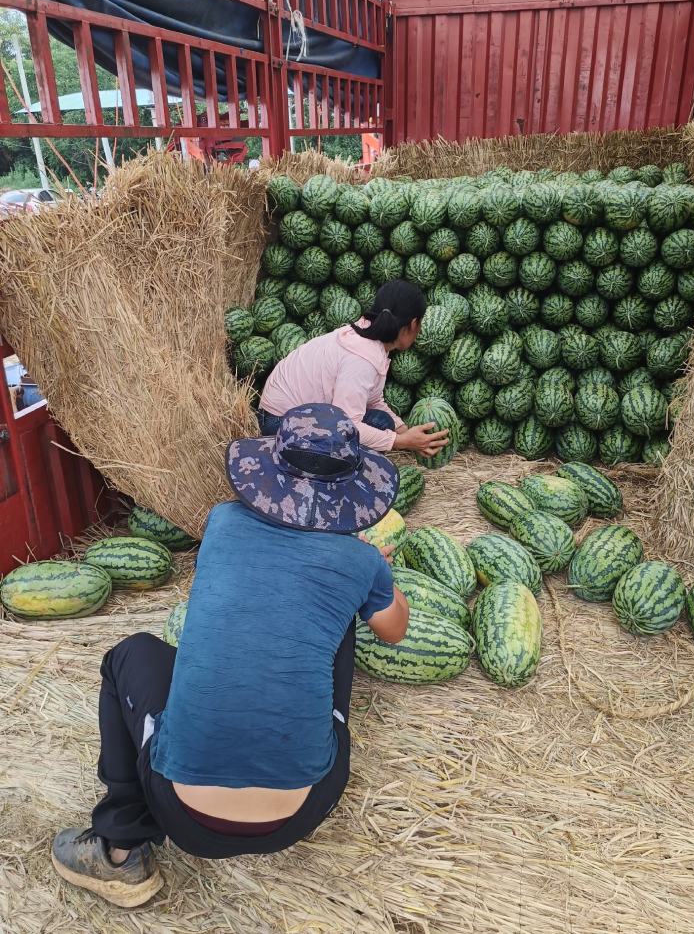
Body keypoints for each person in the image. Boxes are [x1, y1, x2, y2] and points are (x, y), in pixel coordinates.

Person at [51, 404, 409, 908]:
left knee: (128, 656)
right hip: (305, 808)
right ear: (353, 489)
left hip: (184, 816)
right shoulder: (361, 559)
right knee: (336, 618)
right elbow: (394, 631)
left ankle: (120, 851)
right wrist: (377, 575)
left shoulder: (221, 523)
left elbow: (264, 581)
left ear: (270, 473)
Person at [258, 279, 449, 460]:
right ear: (413, 324)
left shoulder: (366, 335)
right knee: (380, 427)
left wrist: (403, 430)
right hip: (280, 424)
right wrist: (400, 442)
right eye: (421, 324)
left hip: (290, 415)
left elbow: (372, 400)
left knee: (383, 423)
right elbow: (347, 425)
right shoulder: (362, 359)